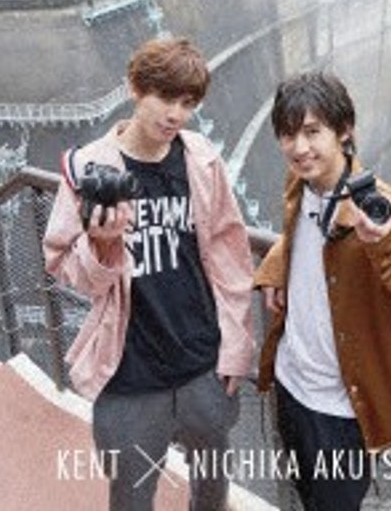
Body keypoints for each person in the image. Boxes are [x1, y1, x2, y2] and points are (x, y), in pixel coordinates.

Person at [43, 37, 255, 511]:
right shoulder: (90, 169)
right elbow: (62, 265)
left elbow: (232, 258)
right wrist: (102, 246)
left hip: (203, 366)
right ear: (135, 89)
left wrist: (236, 347)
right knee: (131, 498)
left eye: (188, 103)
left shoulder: (201, 159)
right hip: (129, 376)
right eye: (164, 97)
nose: (175, 114)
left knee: (212, 489)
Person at [255, 70, 391, 510]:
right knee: (303, 496)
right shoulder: (300, 183)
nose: (299, 148)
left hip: (341, 413)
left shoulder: (383, 209)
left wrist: (386, 248)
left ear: (344, 131)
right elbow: (298, 232)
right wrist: (273, 268)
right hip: (291, 386)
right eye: (288, 135)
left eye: (312, 132)